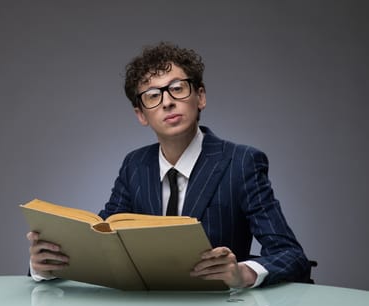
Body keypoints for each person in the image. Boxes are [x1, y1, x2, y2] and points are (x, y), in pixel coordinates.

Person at [27, 42, 310, 288]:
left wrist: (244, 273)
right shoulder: (134, 166)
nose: (167, 103)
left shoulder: (242, 162)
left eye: (177, 88)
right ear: (141, 114)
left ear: (200, 96)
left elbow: (291, 255)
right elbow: (104, 237)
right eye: (153, 95)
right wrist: (46, 266)